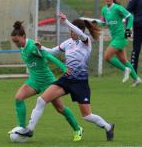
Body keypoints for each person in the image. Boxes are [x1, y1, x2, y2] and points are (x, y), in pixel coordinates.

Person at [16, 13, 115, 141]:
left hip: (80, 83)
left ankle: (108, 127)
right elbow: (52, 51)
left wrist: (66, 21)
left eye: (72, 30)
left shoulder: (86, 42)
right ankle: (29, 129)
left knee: (87, 115)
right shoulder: (68, 43)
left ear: (79, 31)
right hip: (66, 80)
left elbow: (78, 31)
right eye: (70, 30)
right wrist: (41, 47)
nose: (70, 33)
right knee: (41, 100)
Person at [9, 21, 83, 141]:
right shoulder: (22, 47)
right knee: (18, 98)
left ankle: (77, 128)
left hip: (47, 81)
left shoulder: (32, 46)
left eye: (17, 41)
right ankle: (23, 128)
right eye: (14, 42)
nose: (16, 44)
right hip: (34, 81)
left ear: (23, 36)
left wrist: (63, 67)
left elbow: (49, 56)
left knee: (60, 108)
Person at [97, 0, 141, 86]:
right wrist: (98, 23)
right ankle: (136, 79)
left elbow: (131, 17)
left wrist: (128, 30)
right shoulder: (104, 10)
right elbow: (104, 23)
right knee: (123, 60)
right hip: (115, 38)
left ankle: (126, 69)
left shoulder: (117, 8)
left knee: (107, 56)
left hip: (121, 36)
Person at [127, 0, 142, 74]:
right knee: (136, 51)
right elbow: (127, 13)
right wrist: (127, 30)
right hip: (138, 28)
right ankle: (134, 74)